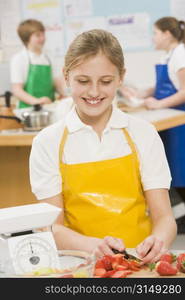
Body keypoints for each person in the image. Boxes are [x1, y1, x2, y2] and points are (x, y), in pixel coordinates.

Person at [29, 29, 177, 263]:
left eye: (106, 81)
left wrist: (157, 241)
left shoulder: (143, 133)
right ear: (66, 76)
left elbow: (165, 218)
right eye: (83, 81)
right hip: (78, 264)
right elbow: (50, 228)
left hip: (136, 262)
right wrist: (94, 246)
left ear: (121, 77)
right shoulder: (47, 143)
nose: (94, 92)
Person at [10, 19, 67, 108]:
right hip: (28, 110)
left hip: (49, 107)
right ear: (27, 38)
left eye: (43, 34)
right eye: (38, 35)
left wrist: (64, 94)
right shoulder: (19, 59)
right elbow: (17, 90)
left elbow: (56, 82)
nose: (43, 38)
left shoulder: (49, 57)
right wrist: (36, 101)